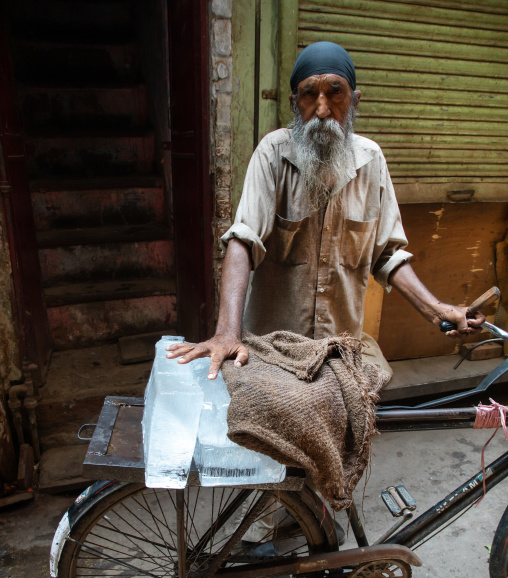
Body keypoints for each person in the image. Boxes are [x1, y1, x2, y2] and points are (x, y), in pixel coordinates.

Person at [166, 41, 485, 548]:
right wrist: (227, 331)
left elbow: (388, 254)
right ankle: (271, 539)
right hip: (275, 342)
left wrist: (436, 309)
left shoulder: (371, 161)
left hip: (338, 344)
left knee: (334, 436)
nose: (321, 108)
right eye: (308, 94)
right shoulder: (274, 153)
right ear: (295, 103)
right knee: (276, 450)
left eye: (334, 93)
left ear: (354, 98)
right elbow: (243, 240)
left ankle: (311, 527)